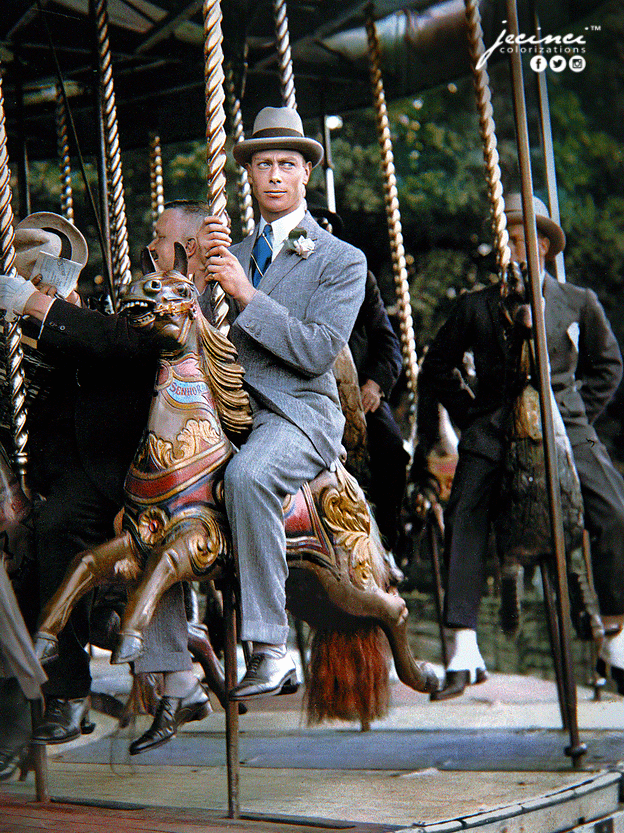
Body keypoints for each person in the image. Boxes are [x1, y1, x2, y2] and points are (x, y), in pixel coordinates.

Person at [0, 212, 210, 756]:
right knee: (41, 529)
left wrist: (41, 309)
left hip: (127, 470)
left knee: (57, 525)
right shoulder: (21, 340)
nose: (40, 282)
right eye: (27, 275)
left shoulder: (125, 314)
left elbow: (121, 344)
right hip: (56, 471)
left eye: (46, 271)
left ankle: (68, 693)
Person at [419, 193, 624, 700]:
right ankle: (464, 648)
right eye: (507, 239)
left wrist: (577, 413)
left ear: (545, 245)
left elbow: (607, 366)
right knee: (464, 507)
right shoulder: (476, 306)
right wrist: (472, 417)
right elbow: (437, 367)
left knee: (614, 509)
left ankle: (616, 635)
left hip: (565, 421)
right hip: (494, 422)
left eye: (524, 239)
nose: (516, 248)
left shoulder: (578, 302)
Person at [197, 106, 367, 699]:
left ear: (305, 176)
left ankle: (270, 649)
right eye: (263, 164)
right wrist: (194, 278)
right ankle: (168, 660)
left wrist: (244, 295)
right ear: (247, 174)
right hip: (227, 405)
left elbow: (319, 350)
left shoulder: (339, 259)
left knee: (249, 477)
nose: (273, 175)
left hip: (297, 412)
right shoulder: (229, 251)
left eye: (285, 165)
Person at [307, 194, 409, 551]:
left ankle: (389, 538)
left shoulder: (358, 279)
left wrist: (376, 385)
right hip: (304, 391)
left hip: (354, 393)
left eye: (325, 227)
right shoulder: (282, 276)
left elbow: (386, 342)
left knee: (393, 449)